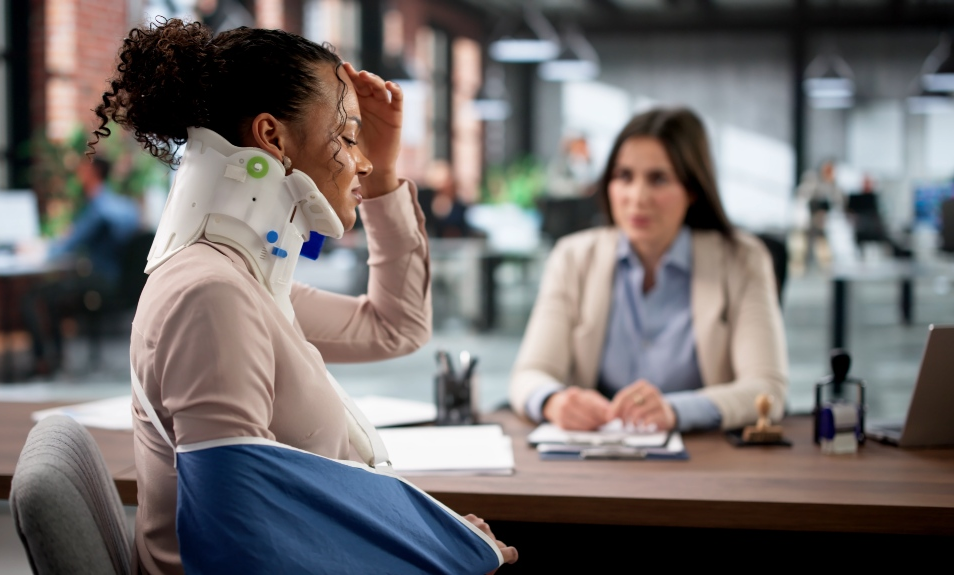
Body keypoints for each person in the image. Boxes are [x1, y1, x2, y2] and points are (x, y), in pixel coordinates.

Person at [90, 20, 516, 574]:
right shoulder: (212, 296)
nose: (360, 160)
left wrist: (385, 175)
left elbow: (395, 325)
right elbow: (238, 548)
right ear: (272, 138)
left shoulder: (244, 283)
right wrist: (434, 545)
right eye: (346, 136)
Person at [508, 107, 787, 433]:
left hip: (704, 463)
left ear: (692, 190)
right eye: (624, 177)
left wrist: (675, 411)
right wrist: (553, 401)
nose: (637, 197)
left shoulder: (742, 260)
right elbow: (529, 374)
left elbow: (767, 389)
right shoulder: (573, 258)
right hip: (595, 461)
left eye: (658, 179)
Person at [19, 156, 140, 376]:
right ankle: (56, 357)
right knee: (52, 295)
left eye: (83, 170)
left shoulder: (98, 207)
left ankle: (45, 361)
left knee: (35, 297)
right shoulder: (124, 206)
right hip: (117, 281)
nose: (79, 174)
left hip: (99, 280)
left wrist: (40, 250)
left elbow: (70, 244)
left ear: (93, 174)